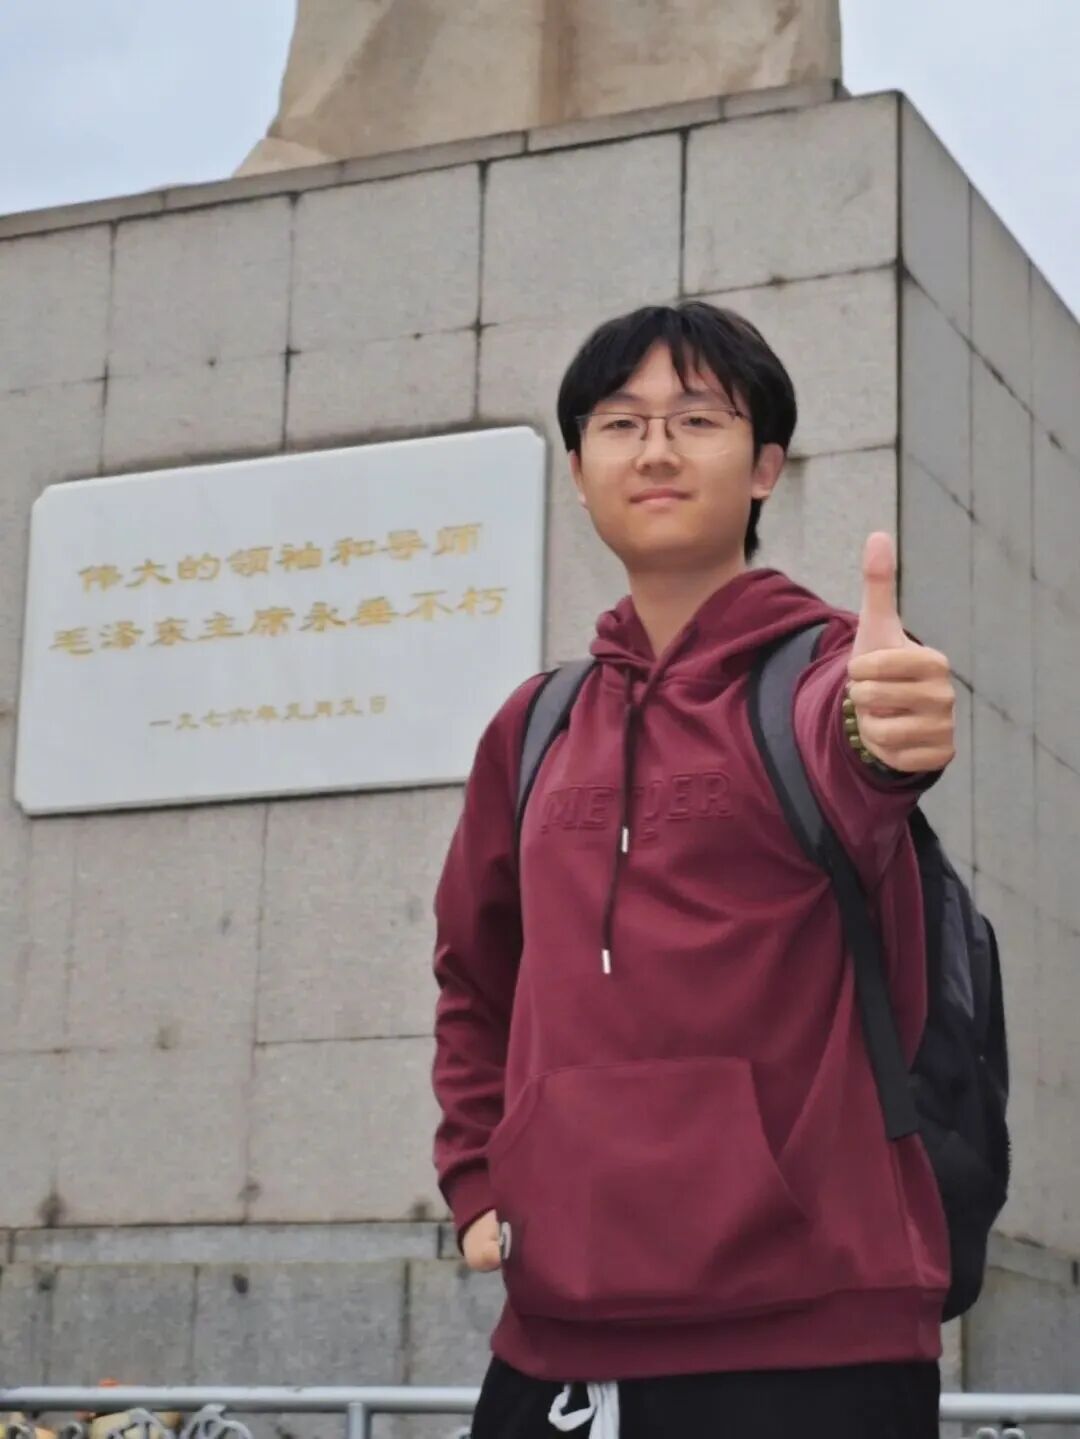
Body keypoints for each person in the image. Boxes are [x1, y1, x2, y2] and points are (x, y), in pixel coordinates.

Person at [430, 301, 957, 1439]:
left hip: (814, 1334)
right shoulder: (534, 726)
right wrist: (475, 1176)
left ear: (765, 466)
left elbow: (857, 747)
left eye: (698, 419)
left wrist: (887, 731)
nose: (656, 450)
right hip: (558, 1331)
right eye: (621, 423)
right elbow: (476, 978)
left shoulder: (818, 676)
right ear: (580, 473)